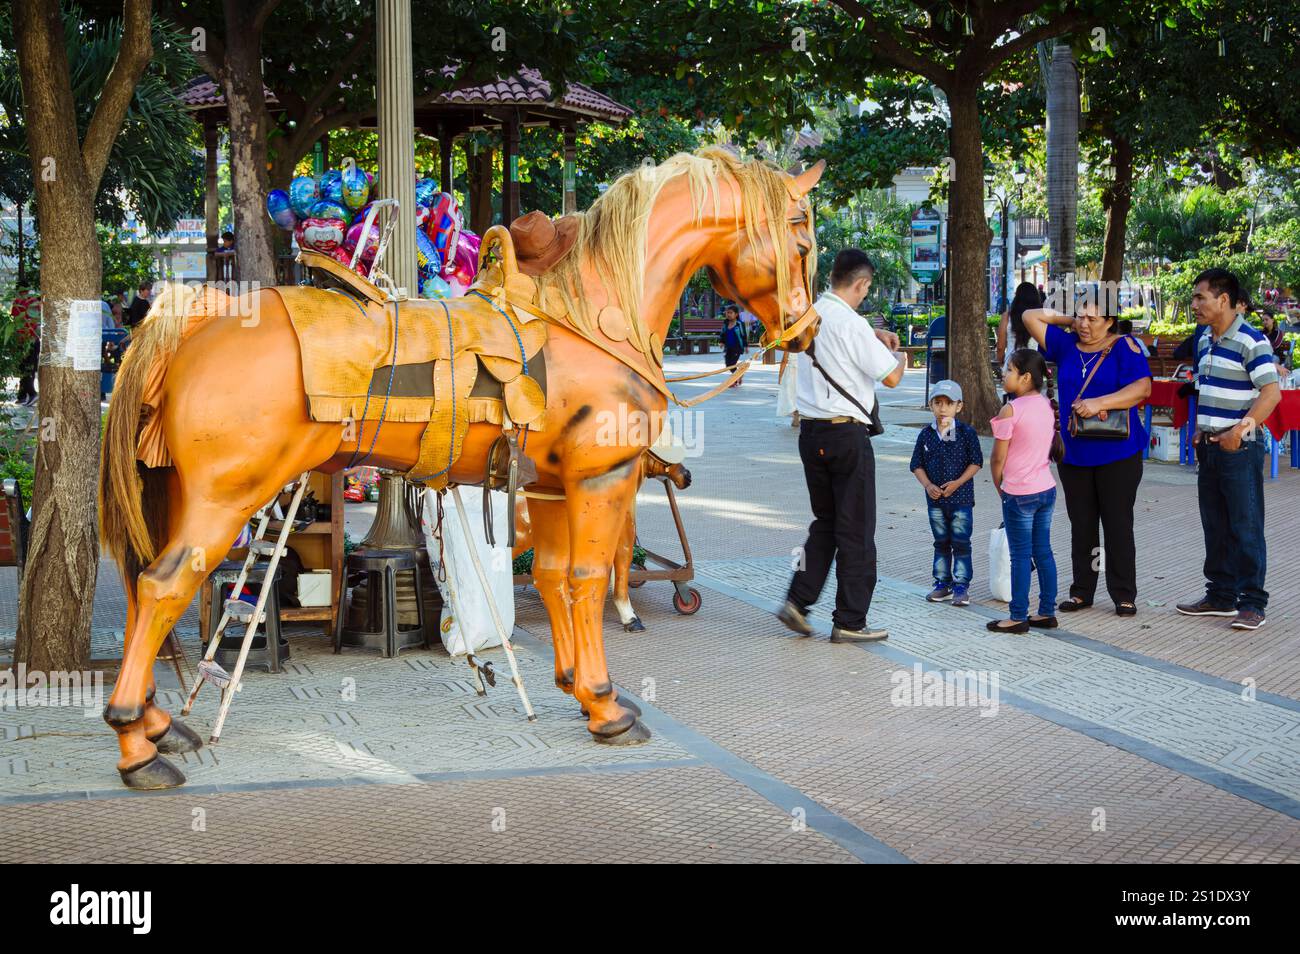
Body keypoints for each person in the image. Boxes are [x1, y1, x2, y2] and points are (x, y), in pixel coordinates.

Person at [777, 249, 905, 643]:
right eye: (866, 289)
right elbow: (892, 378)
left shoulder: (809, 315)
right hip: (847, 438)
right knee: (857, 531)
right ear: (862, 284)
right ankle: (850, 620)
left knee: (826, 523)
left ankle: (798, 601)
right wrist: (896, 353)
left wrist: (872, 335)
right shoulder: (852, 324)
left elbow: (840, 346)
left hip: (812, 435)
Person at [1021, 295, 1152, 616]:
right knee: (1082, 525)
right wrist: (1070, 320)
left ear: (1110, 322)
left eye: (1093, 319)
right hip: (1075, 452)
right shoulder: (1066, 345)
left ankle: (1123, 593)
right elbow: (1029, 316)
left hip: (1118, 453)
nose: (1084, 324)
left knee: (1117, 524)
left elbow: (1143, 388)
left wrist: (1100, 402)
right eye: (1080, 317)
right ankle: (1082, 591)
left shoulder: (1126, 347)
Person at [1175, 268, 1281, 631]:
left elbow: (1271, 393)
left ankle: (1252, 602)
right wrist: (1200, 428)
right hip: (1208, 446)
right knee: (1215, 524)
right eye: (1194, 298)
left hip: (1240, 448)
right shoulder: (1204, 339)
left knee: (1245, 524)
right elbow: (1207, 389)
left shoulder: (1252, 341)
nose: (1195, 305)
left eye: (1200, 298)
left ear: (1223, 300)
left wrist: (1240, 430)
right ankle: (1220, 596)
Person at [988, 349, 1061, 633]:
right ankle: (1046, 612)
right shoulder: (1046, 404)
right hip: (1046, 490)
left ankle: (1017, 616)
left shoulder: (1011, 409)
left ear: (1026, 377)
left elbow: (997, 459)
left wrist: (1001, 487)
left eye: (1008, 370)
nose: (1004, 375)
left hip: (1019, 493)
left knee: (1020, 555)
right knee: (1043, 552)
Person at [910, 379, 983, 606]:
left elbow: (976, 462)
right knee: (941, 542)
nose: (943, 409)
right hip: (936, 502)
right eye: (938, 403)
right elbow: (916, 464)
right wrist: (928, 485)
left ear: (958, 406)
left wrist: (958, 482)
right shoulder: (926, 435)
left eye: (948, 403)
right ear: (931, 405)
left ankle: (961, 585)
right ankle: (942, 583)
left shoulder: (966, 432)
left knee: (961, 542)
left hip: (960, 500)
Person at [996, 282, 1043, 373]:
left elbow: (1000, 347)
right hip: (1033, 367)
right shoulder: (1040, 318)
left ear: (1017, 297)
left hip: (1011, 366)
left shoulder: (1007, 316)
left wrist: (1001, 363)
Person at [11, 289, 41, 405]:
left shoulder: (18, 302)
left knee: (25, 367)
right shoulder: (34, 302)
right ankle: (23, 395)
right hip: (31, 338)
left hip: (24, 338)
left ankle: (31, 393)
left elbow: (15, 319)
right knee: (28, 367)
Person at [719, 304, 747, 387]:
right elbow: (723, 333)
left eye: (730, 313)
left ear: (736, 314)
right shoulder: (726, 323)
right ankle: (739, 375)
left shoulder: (739, 324)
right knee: (728, 364)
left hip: (737, 348)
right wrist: (721, 342)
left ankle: (734, 381)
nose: (728, 314)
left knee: (732, 364)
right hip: (728, 348)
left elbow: (743, 335)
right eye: (727, 313)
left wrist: (745, 346)